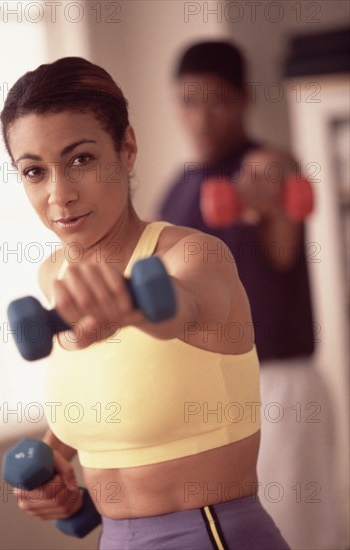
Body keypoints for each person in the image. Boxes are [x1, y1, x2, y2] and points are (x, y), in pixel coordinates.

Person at [1, 57, 290, 550]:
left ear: (127, 148)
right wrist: (57, 466)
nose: (60, 195)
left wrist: (131, 307)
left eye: (81, 160)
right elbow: (120, 389)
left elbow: (188, 304)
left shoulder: (191, 256)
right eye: (34, 171)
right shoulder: (53, 276)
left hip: (212, 534)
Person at [158, 41, 337, 550]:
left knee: (296, 536)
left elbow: (275, 171)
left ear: (243, 99)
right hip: (214, 394)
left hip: (278, 386)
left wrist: (258, 194)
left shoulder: (263, 165)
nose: (201, 118)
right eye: (188, 101)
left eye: (215, 100)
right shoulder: (178, 189)